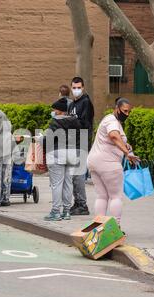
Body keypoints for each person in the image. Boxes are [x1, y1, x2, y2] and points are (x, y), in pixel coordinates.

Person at [87, 98, 139, 228]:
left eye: (129, 112)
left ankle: (99, 226)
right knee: (116, 196)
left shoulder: (108, 119)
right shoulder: (112, 121)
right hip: (108, 163)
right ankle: (115, 228)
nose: (127, 114)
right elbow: (114, 136)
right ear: (117, 108)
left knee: (102, 196)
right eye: (125, 111)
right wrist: (128, 153)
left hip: (94, 161)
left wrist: (125, 146)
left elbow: (114, 139)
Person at [43, 98, 81, 221]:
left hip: (57, 153)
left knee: (56, 184)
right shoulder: (75, 121)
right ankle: (66, 211)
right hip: (72, 153)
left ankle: (55, 212)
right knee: (68, 183)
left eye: (54, 109)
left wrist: (40, 140)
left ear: (59, 111)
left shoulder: (55, 122)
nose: (53, 111)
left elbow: (48, 140)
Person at [68, 77, 94, 215]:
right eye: (74, 87)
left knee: (78, 176)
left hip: (82, 142)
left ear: (83, 87)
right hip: (73, 143)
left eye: (78, 87)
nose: (76, 90)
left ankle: (82, 205)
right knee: (73, 176)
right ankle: (77, 202)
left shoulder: (86, 103)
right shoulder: (72, 105)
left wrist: (71, 121)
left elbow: (85, 123)